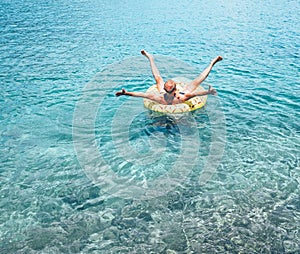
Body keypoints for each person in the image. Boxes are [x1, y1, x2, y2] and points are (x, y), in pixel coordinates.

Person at [115, 50, 222, 105]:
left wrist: (126, 93)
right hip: (175, 95)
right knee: (158, 78)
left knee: (158, 79)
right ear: (175, 89)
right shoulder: (174, 97)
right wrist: (208, 92)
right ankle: (150, 58)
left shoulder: (175, 96)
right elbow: (195, 93)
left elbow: (142, 94)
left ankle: (212, 62)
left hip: (175, 94)